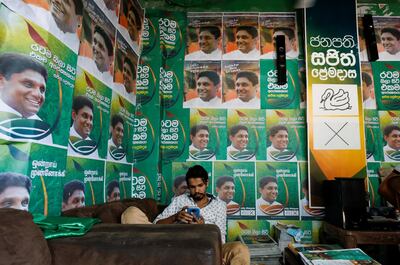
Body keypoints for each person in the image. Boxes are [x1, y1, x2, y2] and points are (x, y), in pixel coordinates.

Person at [154, 165, 250, 265]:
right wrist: (175, 217)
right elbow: (156, 224)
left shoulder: (219, 205)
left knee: (240, 248)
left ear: (206, 183)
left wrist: (204, 228)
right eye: (192, 187)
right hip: (183, 246)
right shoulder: (179, 200)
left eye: (200, 186)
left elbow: (220, 237)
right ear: (188, 186)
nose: (196, 191)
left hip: (209, 246)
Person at [0, 53, 52, 144]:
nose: (38, 95)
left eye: (42, 89)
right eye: (28, 84)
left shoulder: (42, 130)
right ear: (1, 81)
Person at [3, 0, 82, 52]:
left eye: (65, 2)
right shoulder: (39, 15)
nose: (55, 2)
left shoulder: (76, 45)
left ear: (79, 19)